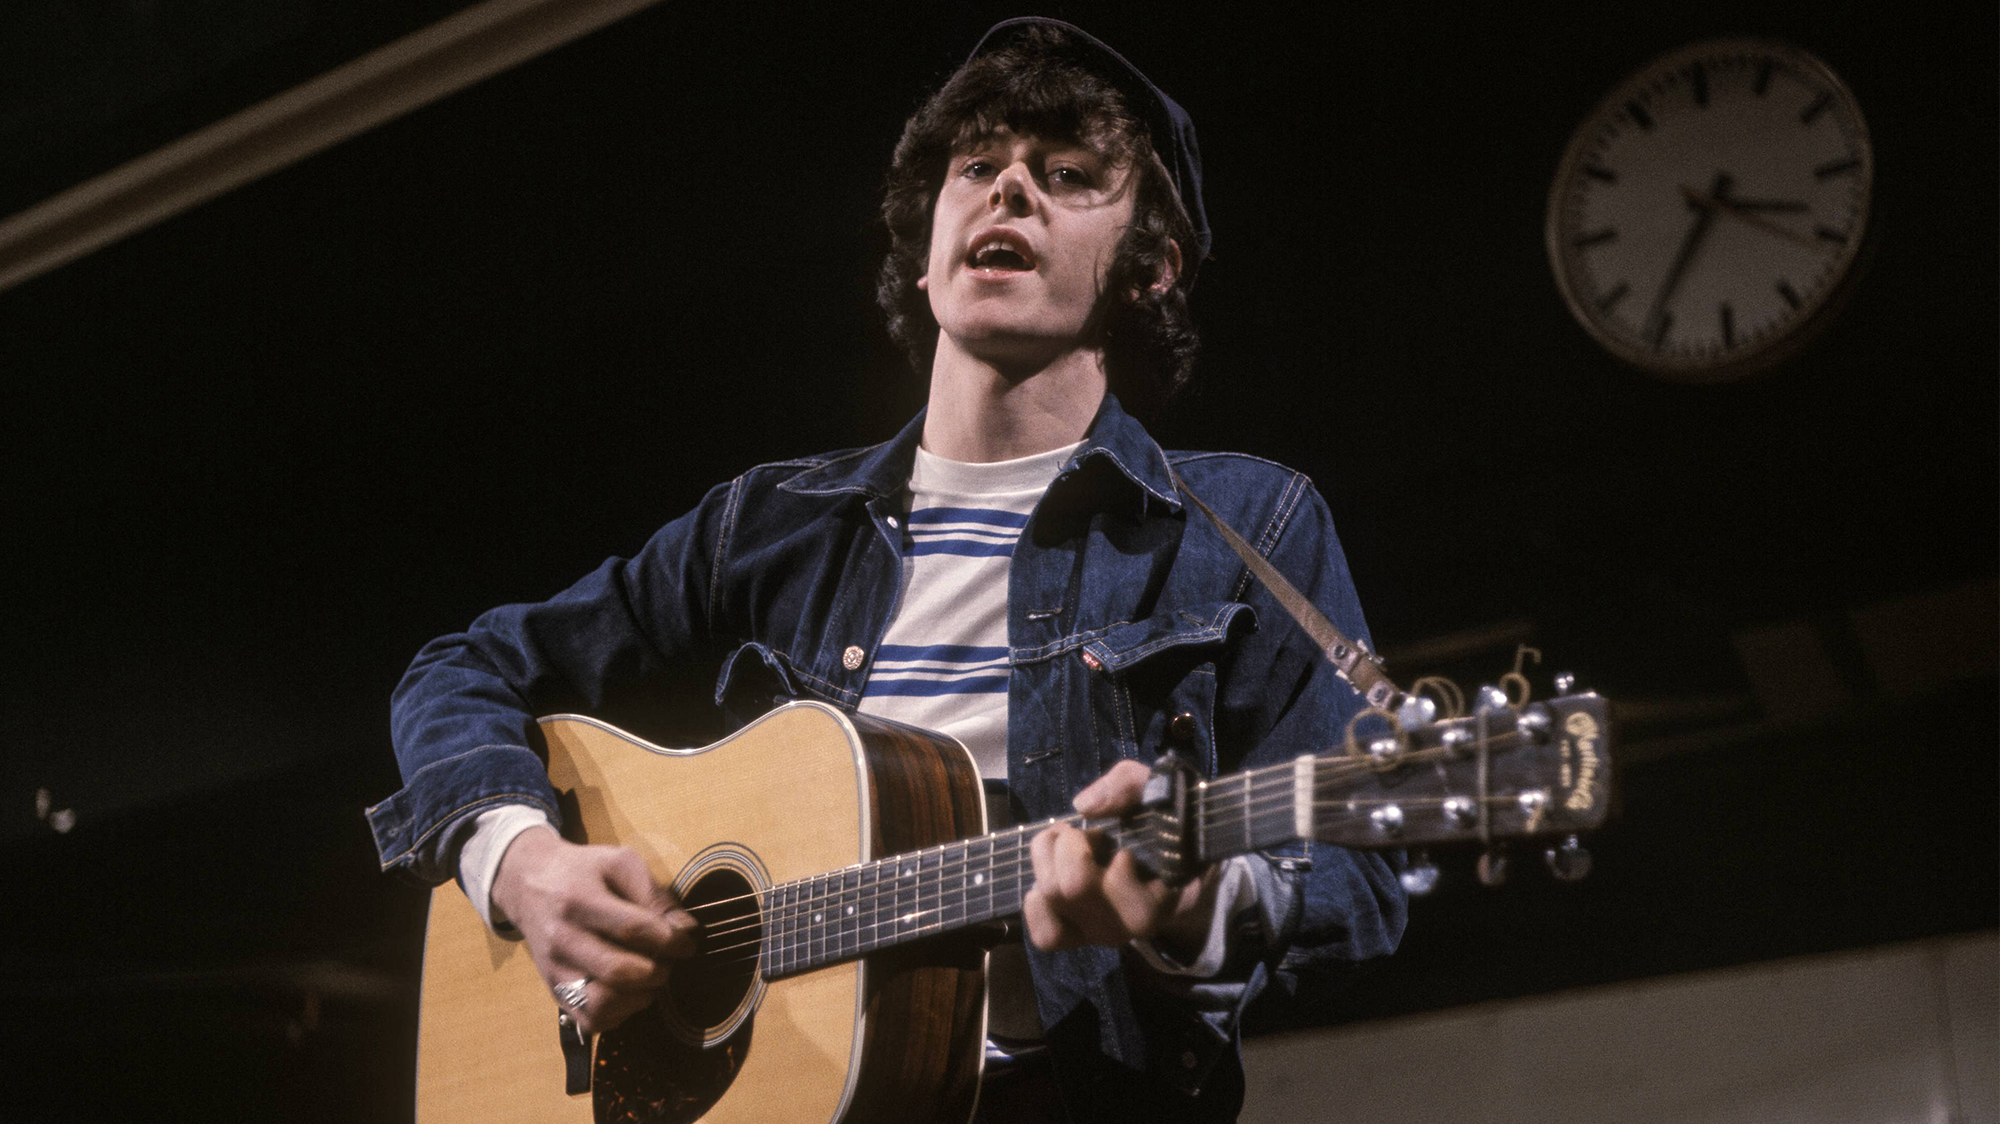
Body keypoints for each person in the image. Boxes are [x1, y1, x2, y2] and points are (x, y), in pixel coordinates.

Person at [367, 18, 1405, 1123]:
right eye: (977, 167)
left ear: (1150, 265)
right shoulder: (769, 523)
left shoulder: (1247, 523)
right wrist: (521, 865)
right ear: (923, 248)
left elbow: (1356, 875)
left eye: (1065, 174)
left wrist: (1187, 905)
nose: (1008, 188)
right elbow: (461, 669)